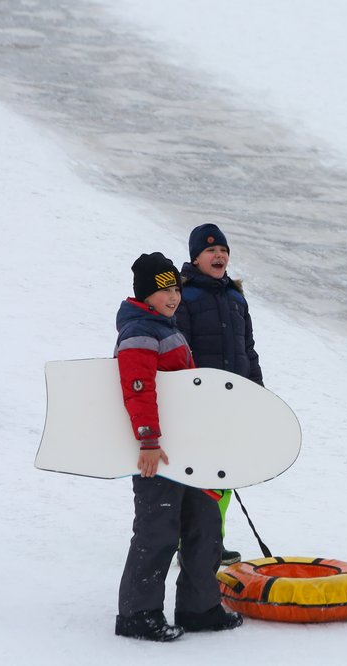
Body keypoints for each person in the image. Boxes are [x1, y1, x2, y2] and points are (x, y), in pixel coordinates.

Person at [113, 251, 243, 642]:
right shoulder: (139, 331)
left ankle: (199, 608)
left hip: (189, 450)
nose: (173, 297)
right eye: (164, 290)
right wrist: (149, 441)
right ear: (146, 293)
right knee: (159, 531)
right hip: (158, 453)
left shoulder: (165, 326)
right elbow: (138, 389)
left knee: (204, 524)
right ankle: (138, 614)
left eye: (175, 289)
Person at [176, 223, 264, 567]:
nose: (219, 256)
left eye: (224, 251)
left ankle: (213, 540)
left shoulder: (235, 298)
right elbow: (180, 351)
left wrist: (257, 392)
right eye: (211, 251)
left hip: (233, 400)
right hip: (201, 401)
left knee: (225, 472)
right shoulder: (185, 298)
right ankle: (190, 544)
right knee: (199, 473)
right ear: (196, 257)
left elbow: (248, 349)